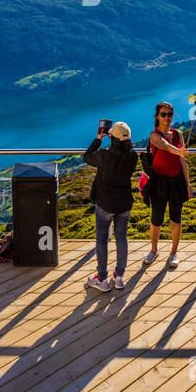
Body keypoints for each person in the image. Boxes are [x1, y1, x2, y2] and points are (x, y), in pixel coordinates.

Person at [84, 121, 138, 293]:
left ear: (111, 138)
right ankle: (120, 277)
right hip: (124, 203)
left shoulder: (105, 156)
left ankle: (102, 278)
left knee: (101, 239)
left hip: (105, 203)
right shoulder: (133, 156)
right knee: (121, 238)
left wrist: (99, 139)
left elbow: (87, 156)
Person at [145, 102, 192, 269]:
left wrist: (187, 184)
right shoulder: (154, 135)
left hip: (177, 181)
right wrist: (179, 151)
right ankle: (153, 250)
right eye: (163, 114)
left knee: (176, 218)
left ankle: (173, 253)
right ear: (157, 116)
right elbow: (164, 146)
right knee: (156, 218)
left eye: (170, 114)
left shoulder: (178, 134)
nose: (167, 117)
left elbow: (182, 161)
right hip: (159, 181)